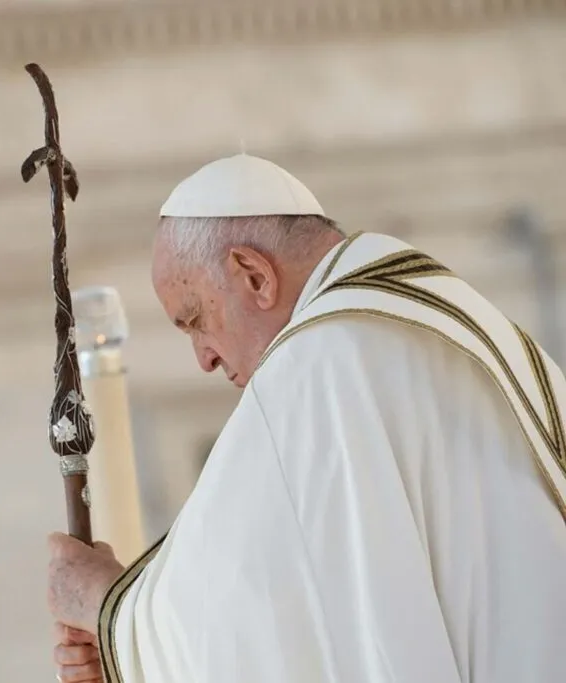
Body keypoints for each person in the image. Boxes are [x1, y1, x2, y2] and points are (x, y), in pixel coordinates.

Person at [46, 153, 566, 682]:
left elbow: (257, 616)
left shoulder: (319, 363)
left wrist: (111, 613)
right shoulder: (438, 313)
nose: (204, 358)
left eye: (196, 320)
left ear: (254, 276)